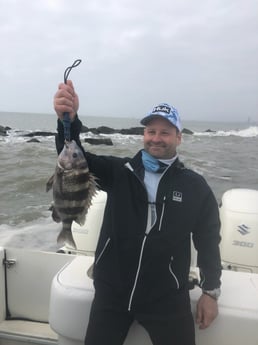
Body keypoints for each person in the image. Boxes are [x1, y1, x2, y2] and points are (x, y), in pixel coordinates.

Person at [54, 80, 222, 345]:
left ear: (179, 137)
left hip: (166, 296)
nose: (156, 138)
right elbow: (73, 160)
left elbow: (209, 240)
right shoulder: (120, 171)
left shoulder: (195, 187)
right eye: (151, 130)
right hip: (112, 291)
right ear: (143, 134)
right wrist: (68, 120)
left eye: (165, 132)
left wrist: (210, 292)